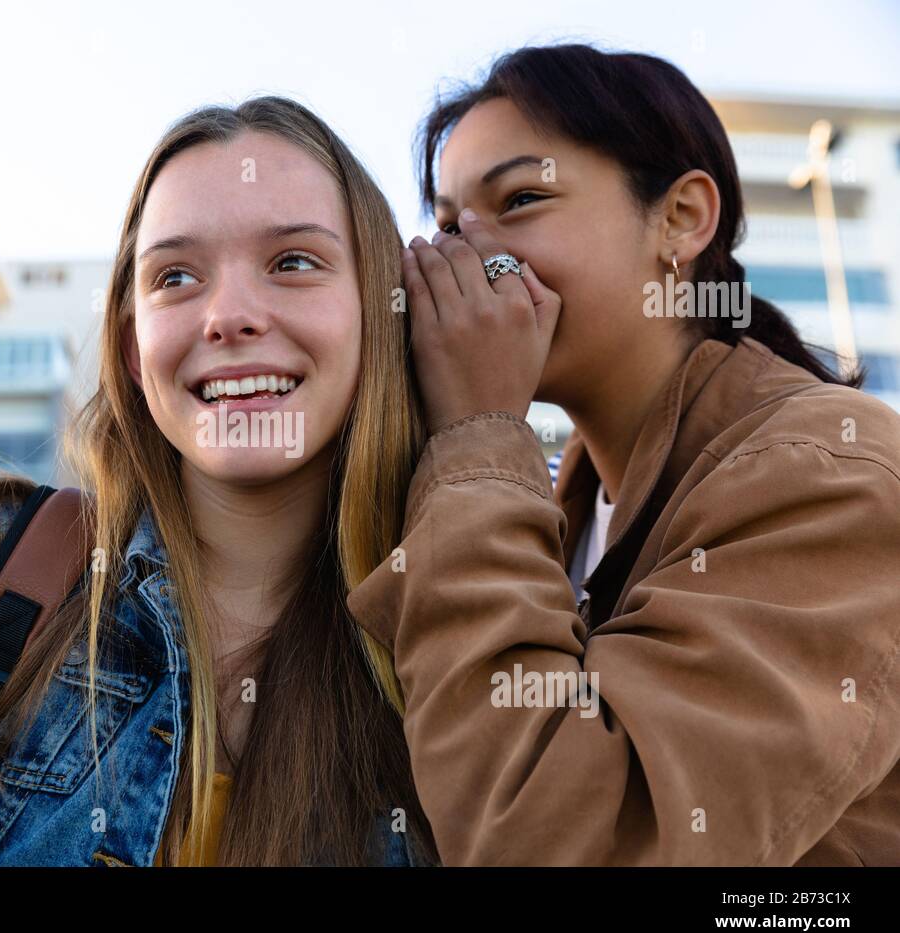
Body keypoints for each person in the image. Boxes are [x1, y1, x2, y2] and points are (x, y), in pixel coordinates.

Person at [0, 95, 437, 866]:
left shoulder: (452, 620)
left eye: (292, 262)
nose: (229, 315)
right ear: (131, 350)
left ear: (383, 311)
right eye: (176, 277)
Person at [348, 43, 900, 865]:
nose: (466, 254)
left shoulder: (827, 471)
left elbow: (560, 837)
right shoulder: (559, 512)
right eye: (450, 222)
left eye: (522, 199)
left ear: (681, 219)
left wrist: (473, 437)